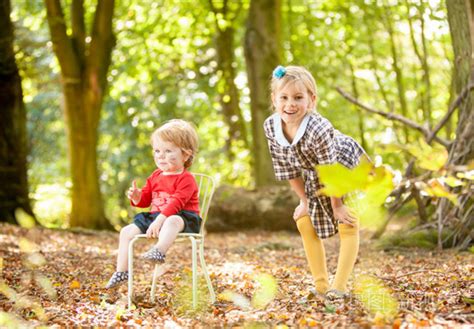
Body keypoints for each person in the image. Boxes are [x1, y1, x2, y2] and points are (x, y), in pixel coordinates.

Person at [264, 65, 367, 299]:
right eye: (284, 97)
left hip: (342, 167)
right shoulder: (271, 126)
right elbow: (287, 168)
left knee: (347, 223)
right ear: (274, 99)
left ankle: (339, 287)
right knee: (304, 220)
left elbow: (331, 171)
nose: (290, 104)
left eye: (298, 98)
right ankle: (321, 285)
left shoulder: (318, 128)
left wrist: (337, 206)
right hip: (313, 174)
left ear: (311, 100)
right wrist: (304, 201)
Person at [106, 119, 202, 289]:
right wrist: (137, 197)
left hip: (183, 219)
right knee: (126, 231)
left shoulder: (186, 179)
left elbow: (176, 203)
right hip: (155, 217)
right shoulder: (156, 176)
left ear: (185, 155)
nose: (161, 155)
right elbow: (145, 201)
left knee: (172, 219)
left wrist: (160, 221)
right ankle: (121, 272)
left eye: (168, 151)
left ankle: (159, 251)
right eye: (157, 151)